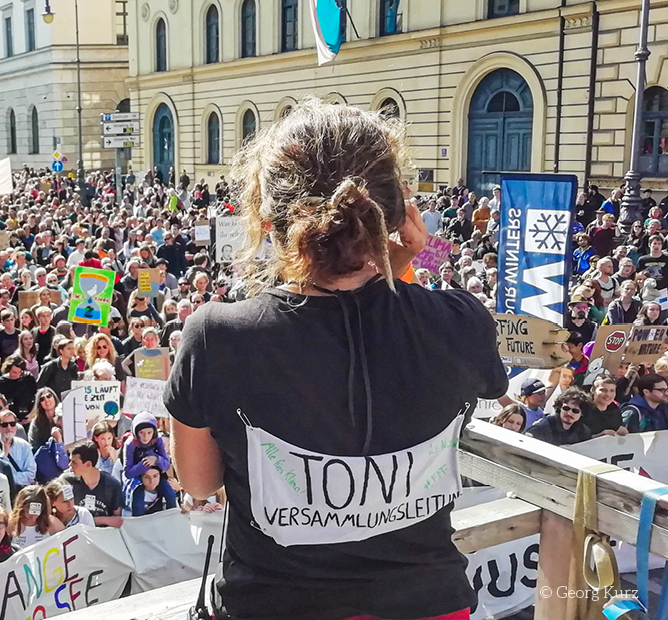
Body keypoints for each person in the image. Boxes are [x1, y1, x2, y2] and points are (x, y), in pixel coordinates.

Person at [167, 100, 507, 619]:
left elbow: (198, 483)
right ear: (397, 213)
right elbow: (386, 317)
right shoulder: (462, 320)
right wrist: (420, 252)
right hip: (429, 603)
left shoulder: (215, 336)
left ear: (263, 218)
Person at [61, 440, 123, 526]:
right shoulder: (67, 481)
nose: (70, 465)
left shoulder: (112, 485)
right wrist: (102, 520)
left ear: (88, 464)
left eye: (74, 462)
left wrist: (90, 520)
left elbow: (117, 520)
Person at [526, 387, 594, 446]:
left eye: (575, 411)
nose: (569, 413)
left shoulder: (584, 432)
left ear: (582, 413)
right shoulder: (541, 427)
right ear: (560, 407)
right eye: (566, 408)